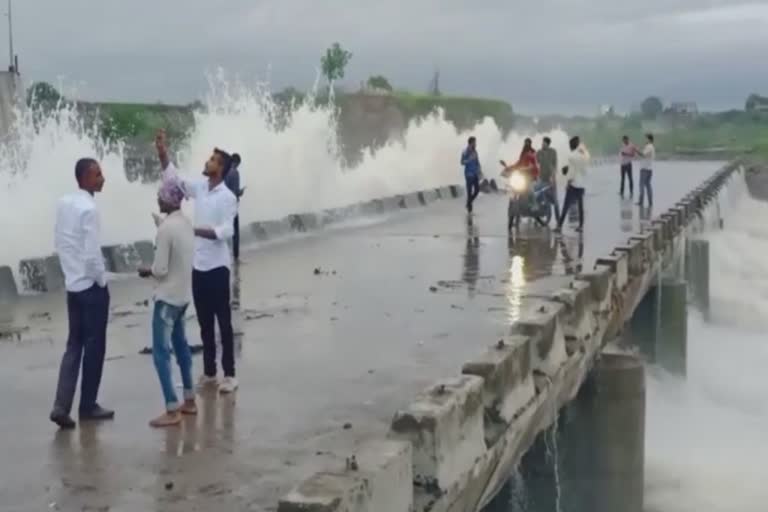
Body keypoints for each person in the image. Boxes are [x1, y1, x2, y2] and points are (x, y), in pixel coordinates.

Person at [155, 129, 240, 394]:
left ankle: (230, 374)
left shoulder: (227, 197)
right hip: (199, 265)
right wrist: (162, 153)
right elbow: (176, 182)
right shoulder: (201, 187)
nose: (207, 162)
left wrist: (196, 230)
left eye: (212, 160)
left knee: (223, 321)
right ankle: (210, 372)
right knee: (204, 321)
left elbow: (227, 230)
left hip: (217, 266)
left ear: (221, 167)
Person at [50, 158, 113, 429]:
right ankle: (88, 405)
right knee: (95, 347)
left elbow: (60, 241)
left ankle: (61, 405)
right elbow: (91, 255)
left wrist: (70, 273)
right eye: (98, 174)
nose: (103, 178)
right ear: (86, 178)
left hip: (72, 287)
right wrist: (102, 280)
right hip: (89, 287)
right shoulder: (89, 209)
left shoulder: (64, 203)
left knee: (73, 346)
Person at [138, 176, 197, 428]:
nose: (157, 198)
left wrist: (145, 269)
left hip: (167, 298)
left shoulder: (165, 229)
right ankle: (190, 400)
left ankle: (172, 409)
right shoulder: (185, 223)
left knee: (161, 354)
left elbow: (160, 269)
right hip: (183, 295)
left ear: (168, 199)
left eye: (160, 195)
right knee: (182, 347)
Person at [555, 136, 590, 233]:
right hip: (582, 184)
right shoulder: (584, 155)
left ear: (571, 145)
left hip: (574, 184)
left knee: (566, 206)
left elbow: (571, 172)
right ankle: (581, 226)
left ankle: (559, 226)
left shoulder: (572, 156)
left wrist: (568, 183)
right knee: (580, 206)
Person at [224, 154, 245, 262]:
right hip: (232, 206)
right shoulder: (235, 172)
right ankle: (236, 257)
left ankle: (223, 256)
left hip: (223, 205)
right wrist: (241, 192)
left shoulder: (225, 171)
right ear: (236, 162)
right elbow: (235, 192)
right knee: (235, 232)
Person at [536, 137, 560, 222]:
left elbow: (555, 165)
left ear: (547, 144)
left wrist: (552, 176)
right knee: (538, 195)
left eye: (544, 143)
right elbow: (536, 163)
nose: (542, 144)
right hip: (542, 179)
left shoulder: (553, 152)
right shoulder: (539, 152)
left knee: (555, 201)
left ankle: (558, 221)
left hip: (551, 179)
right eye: (542, 143)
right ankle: (540, 216)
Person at [461, 136, 482, 213]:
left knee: (477, 190)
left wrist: (480, 170)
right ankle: (470, 210)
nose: (476, 144)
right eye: (474, 142)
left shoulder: (475, 151)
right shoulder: (465, 151)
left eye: (475, 142)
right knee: (469, 192)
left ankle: (468, 203)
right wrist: (469, 159)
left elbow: (477, 162)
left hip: (475, 173)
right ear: (471, 143)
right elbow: (462, 162)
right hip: (468, 174)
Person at [638, 133, 656, 207]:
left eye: (646, 138)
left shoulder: (649, 147)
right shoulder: (651, 147)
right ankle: (650, 202)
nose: (645, 140)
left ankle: (641, 201)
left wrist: (636, 150)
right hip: (649, 168)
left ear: (649, 139)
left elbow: (643, 154)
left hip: (645, 168)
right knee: (648, 185)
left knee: (642, 185)